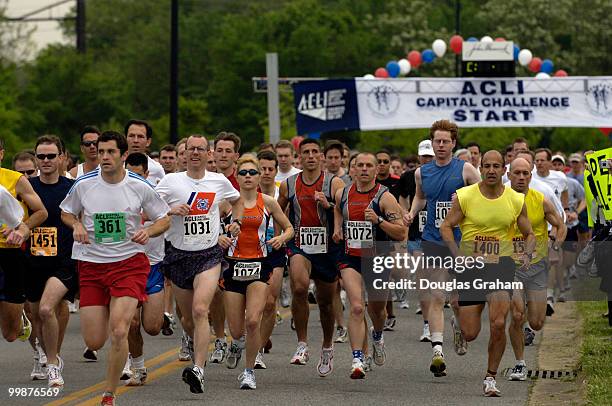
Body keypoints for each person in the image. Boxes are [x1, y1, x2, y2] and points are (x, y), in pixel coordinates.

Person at [60, 131, 170, 406]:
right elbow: (66, 212)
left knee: (120, 330)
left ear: (123, 156)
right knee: (95, 341)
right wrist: (76, 225)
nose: (104, 157)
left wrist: (150, 232)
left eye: (110, 152)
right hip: (92, 265)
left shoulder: (139, 185)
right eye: (101, 151)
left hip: (129, 264)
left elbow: (163, 219)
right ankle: (110, 306)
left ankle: (109, 394)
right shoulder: (84, 184)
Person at [440, 150, 535, 397]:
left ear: (503, 170)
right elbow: (447, 225)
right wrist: (456, 253)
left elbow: (530, 233)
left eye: (496, 166)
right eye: (487, 166)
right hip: (471, 268)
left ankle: (490, 377)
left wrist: (526, 254)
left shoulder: (515, 199)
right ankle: (459, 321)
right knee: (471, 334)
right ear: (480, 169)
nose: (491, 170)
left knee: (499, 323)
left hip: (501, 266)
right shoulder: (465, 196)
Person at [155, 134, 240, 394]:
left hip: (209, 254)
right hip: (179, 255)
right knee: (189, 319)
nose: (195, 153)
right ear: (184, 154)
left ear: (208, 154)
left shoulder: (218, 181)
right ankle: (196, 346)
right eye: (190, 149)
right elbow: (149, 208)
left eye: (200, 149)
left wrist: (235, 223)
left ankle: (198, 370)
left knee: (201, 309)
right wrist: (170, 210)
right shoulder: (170, 182)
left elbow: (238, 202)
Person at [406, 120, 481, 377]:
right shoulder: (421, 173)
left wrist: (465, 200)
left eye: (445, 141)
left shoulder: (466, 170)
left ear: (453, 143)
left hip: (462, 242)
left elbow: (485, 196)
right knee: (437, 295)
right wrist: (412, 212)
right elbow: (420, 196)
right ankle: (437, 350)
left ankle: (458, 326)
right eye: (436, 141)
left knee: (458, 300)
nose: (440, 145)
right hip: (433, 240)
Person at [218, 155, 294, 389]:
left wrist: (281, 237)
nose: (248, 177)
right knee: (236, 329)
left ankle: (249, 371)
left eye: (253, 173)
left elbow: (290, 228)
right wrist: (218, 237)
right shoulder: (226, 203)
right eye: (244, 173)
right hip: (232, 267)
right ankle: (236, 343)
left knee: (253, 321)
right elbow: (210, 230)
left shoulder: (268, 202)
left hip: (260, 265)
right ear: (236, 177)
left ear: (260, 176)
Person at [333, 152, 406, 378]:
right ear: (352, 169)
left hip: (377, 257)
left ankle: (377, 335)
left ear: (376, 170)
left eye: (368, 166)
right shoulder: (342, 193)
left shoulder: (385, 198)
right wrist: (337, 227)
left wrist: (378, 220)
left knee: (378, 310)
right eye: (359, 165)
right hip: (351, 257)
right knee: (356, 306)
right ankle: (357, 358)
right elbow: (337, 208)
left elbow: (401, 232)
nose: (364, 169)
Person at [277, 138, 345, 376]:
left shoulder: (333, 182)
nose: (311, 156)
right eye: (306, 152)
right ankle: (302, 343)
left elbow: (343, 207)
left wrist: (329, 204)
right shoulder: (289, 184)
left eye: (315, 152)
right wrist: (279, 238)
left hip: (327, 249)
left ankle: (327, 346)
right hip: (300, 246)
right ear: (300, 156)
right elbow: (278, 211)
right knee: (299, 286)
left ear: (322, 157)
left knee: (326, 303)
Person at [506, 157, 566, 381]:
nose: (521, 177)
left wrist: (555, 246)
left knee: (536, 322)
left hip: (538, 266)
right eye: (517, 173)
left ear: (531, 175)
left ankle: (532, 306)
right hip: (509, 266)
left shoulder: (540, 200)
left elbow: (561, 225)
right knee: (517, 314)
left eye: (525, 173)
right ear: (509, 175)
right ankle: (520, 364)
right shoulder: (500, 198)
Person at [25, 135, 77, 389]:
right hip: (32, 259)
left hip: (64, 260)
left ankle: (53, 364)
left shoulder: (73, 187)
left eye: (51, 156)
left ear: (61, 158)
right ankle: (48, 355)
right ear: (36, 158)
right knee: (37, 315)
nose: (46, 161)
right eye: (41, 156)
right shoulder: (26, 186)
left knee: (48, 309)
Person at [121, 153, 167, 386]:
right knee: (132, 323)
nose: (133, 179)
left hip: (153, 266)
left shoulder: (154, 195)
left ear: (147, 174)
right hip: (127, 266)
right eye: (129, 174)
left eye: (138, 175)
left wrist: (149, 229)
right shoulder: (118, 196)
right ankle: (137, 365)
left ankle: (162, 318)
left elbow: (167, 219)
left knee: (152, 327)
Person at [0, 137, 48, 347]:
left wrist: (23, 229)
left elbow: (41, 212)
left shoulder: (15, 179)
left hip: (9, 254)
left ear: (1, 154)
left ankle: (18, 318)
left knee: (10, 334)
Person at [254, 150, 290, 369]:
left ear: (276, 171)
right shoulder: (247, 194)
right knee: (251, 307)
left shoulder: (282, 195)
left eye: (270, 169)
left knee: (269, 303)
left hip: (275, 252)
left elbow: (290, 225)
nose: (266, 173)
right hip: (250, 254)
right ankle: (247, 338)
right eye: (262, 169)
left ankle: (257, 350)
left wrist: (283, 237)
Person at [398, 140, 434, 333]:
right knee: (422, 277)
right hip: (417, 234)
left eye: (430, 156)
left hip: (442, 234)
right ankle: (428, 325)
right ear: (419, 156)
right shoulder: (409, 177)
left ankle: (452, 319)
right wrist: (406, 212)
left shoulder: (447, 176)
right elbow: (402, 197)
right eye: (424, 156)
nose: (427, 159)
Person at [124, 119, 165, 185]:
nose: (135, 140)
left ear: (148, 141)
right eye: (131, 136)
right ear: (125, 139)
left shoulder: (157, 170)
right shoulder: (116, 165)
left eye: (140, 136)